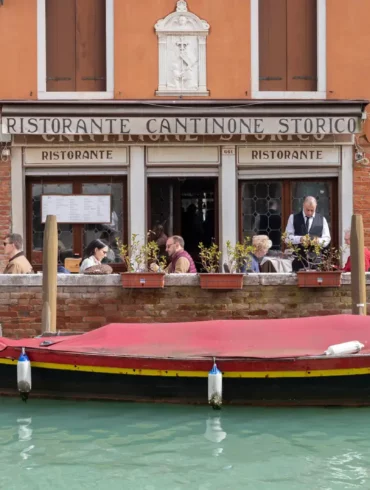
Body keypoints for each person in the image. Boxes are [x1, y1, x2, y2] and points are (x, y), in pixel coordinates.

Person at [285, 196, 331, 272]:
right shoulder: (293, 218)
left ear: (316, 207)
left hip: (316, 261)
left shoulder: (322, 219)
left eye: (312, 210)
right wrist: (299, 239)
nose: (309, 212)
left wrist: (318, 241)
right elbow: (287, 238)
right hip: (299, 260)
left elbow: (327, 239)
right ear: (303, 205)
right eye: (307, 210)